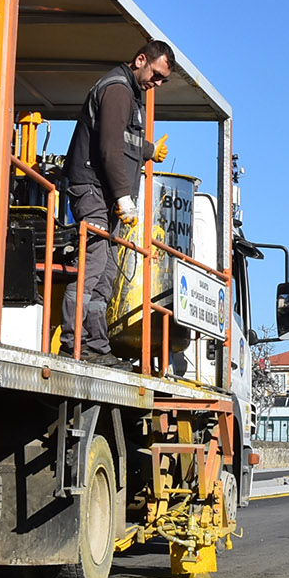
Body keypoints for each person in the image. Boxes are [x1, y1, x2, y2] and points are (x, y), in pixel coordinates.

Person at [59, 40, 173, 365]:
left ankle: (96, 347)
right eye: (157, 74)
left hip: (104, 195)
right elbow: (109, 148)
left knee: (107, 271)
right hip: (93, 189)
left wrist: (150, 151)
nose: (158, 83)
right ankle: (72, 345)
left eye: (163, 79)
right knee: (93, 265)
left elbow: (123, 137)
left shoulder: (131, 94)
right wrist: (125, 198)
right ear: (141, 60)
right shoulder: (117, 89)